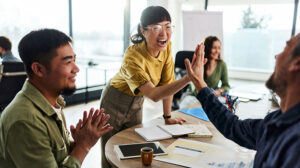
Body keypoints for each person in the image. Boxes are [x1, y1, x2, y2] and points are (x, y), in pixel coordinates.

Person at [99, 6, 198, 167]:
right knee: (110, 151)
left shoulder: (166, 48)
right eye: (156, 28)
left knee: (131, 147)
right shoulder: (133, 56)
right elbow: (153, 94)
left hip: (137, 101)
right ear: (143, 31)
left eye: (167, 26)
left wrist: (167, 117)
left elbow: (167, 84)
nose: (164, 33)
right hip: (115, 100)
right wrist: (188, 78)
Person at [0, 29, 113, 167]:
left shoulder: (53, 101)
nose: (76, 69)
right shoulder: (26, 121)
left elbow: (55, 156)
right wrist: (83, 147)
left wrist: (77, 143)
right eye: (68, 62)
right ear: (38, 69)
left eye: (74, 60)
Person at [185, 33, 300, 167]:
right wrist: (200, 84)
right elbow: (233, 126)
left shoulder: (295, 143)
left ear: (297, 63)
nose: (276, 56)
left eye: (286, 48)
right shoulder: (275, 120)